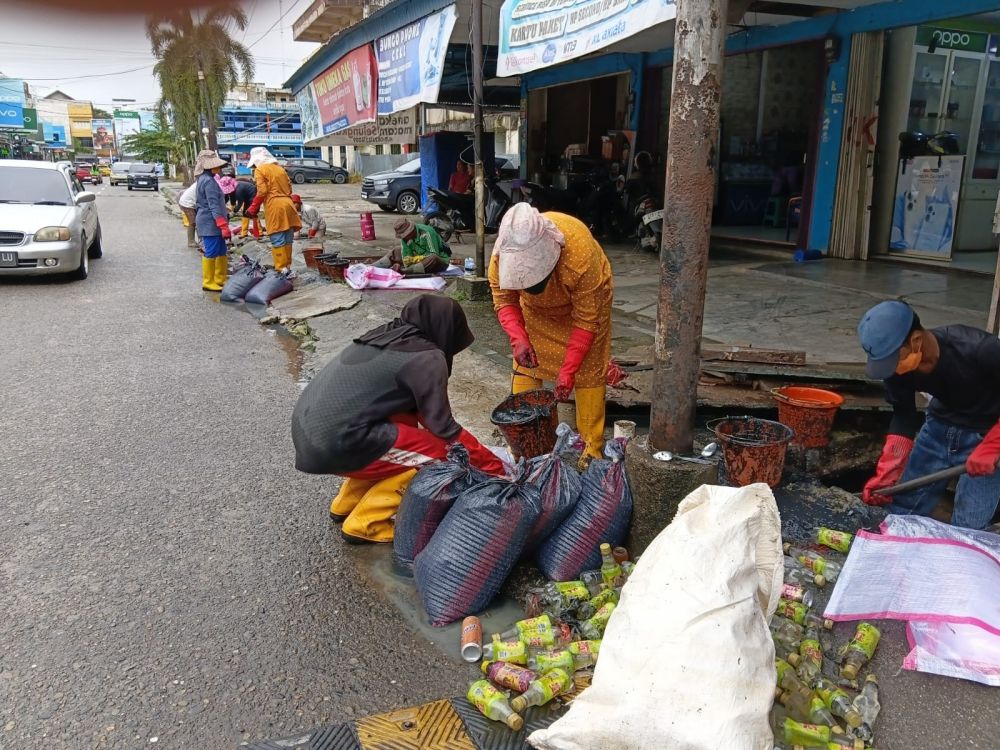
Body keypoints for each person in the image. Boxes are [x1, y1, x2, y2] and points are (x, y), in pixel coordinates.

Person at [291, 295, 505, 543]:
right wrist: (495, 468)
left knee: (406, 430)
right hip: (335, 444)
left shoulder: (384, 338)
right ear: (448, 329)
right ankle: (366, 523)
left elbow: (419, 416)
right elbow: (444, 429)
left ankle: (347, 501)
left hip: (311, 436)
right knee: (443, 457)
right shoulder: (427, 357)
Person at [857, 300, 1000, 529]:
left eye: (894, 360)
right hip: (938, 428)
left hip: (988, 432)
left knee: (968, 529)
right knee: (901, 515)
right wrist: (888, 472)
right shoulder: (896, 370)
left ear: (916, 341)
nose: (891, 369)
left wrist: (993, 446)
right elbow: (903, 416)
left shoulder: (980, 349)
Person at [489, 203, 613, 463]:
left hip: (584, 309)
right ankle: (524, 447)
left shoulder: (581, 255)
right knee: (527, 366)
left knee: (588, 368)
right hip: (534, 314)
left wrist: (568, 372)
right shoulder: (500, 257)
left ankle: (591, 450)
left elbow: (586, 321)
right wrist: (518, 338)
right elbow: (504, 300)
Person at [245, 146, 301, 272]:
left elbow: (262, 191)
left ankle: (281, 269)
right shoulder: (280, 168)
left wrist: (253, 207)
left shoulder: (260, 170)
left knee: (277, 238)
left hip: (275, 206)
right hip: (289, 204)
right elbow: (290, 188)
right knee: (288, 238)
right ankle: (287, 268)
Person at [193, 149, 231, 292]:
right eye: (217, 166)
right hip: (210, 222)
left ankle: (220, 278)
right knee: (211, 251)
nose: (219, 168)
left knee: (221, 250)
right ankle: (208, 281)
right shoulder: (208, 181)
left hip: (213, 221)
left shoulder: (206, 179)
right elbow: (213, 205)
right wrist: (222, 225)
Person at [374, 219, 450, 274]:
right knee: (396, 251)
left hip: (439, 261)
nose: (404, 237)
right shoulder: (405, 238)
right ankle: (373, 267)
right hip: (417, 260)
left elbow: (434, 253)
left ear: (411, 230)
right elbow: (406, 256)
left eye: (405, 235)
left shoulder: (427, 232)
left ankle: (403, 271)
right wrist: (408, 260)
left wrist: (418, 259)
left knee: (433, 258)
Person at [177, 180, 199, 249]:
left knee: (197, 222)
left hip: (189, 202)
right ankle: (191, 242)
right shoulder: (203, 182)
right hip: (187, 203)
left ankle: (199, 241)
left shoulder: (202, 181)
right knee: (193, 222)